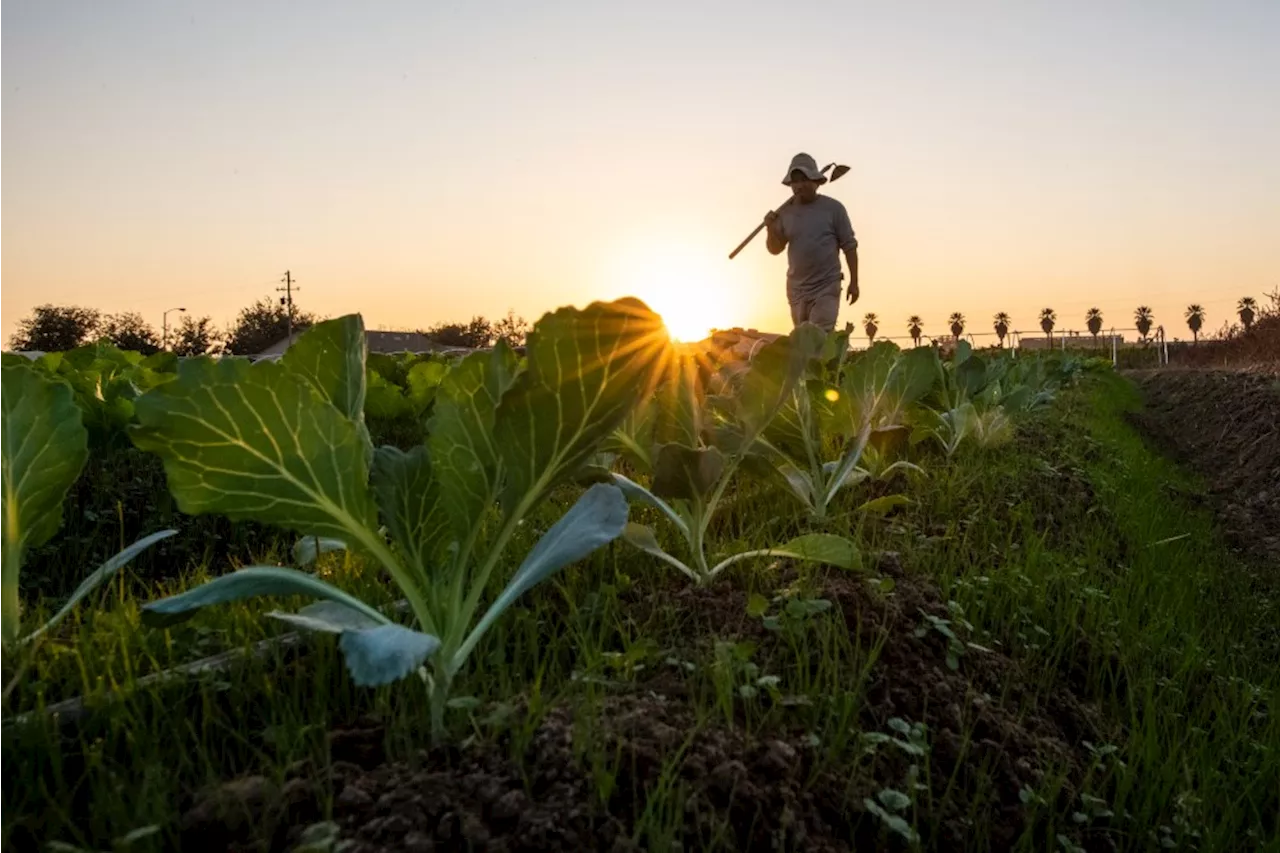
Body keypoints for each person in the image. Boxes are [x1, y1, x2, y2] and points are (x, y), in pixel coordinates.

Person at [763, 153, 859, 332]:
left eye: (804, 180)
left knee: (819, 336)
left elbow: (849, 246)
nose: (799, 186)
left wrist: (854, 282)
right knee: (804, 343)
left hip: (826, 284)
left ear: (815, 181)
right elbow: (774, 249)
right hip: (797, 289)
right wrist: (770, 228)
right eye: (795, 182)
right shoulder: (784, 213)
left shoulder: (833, 209)